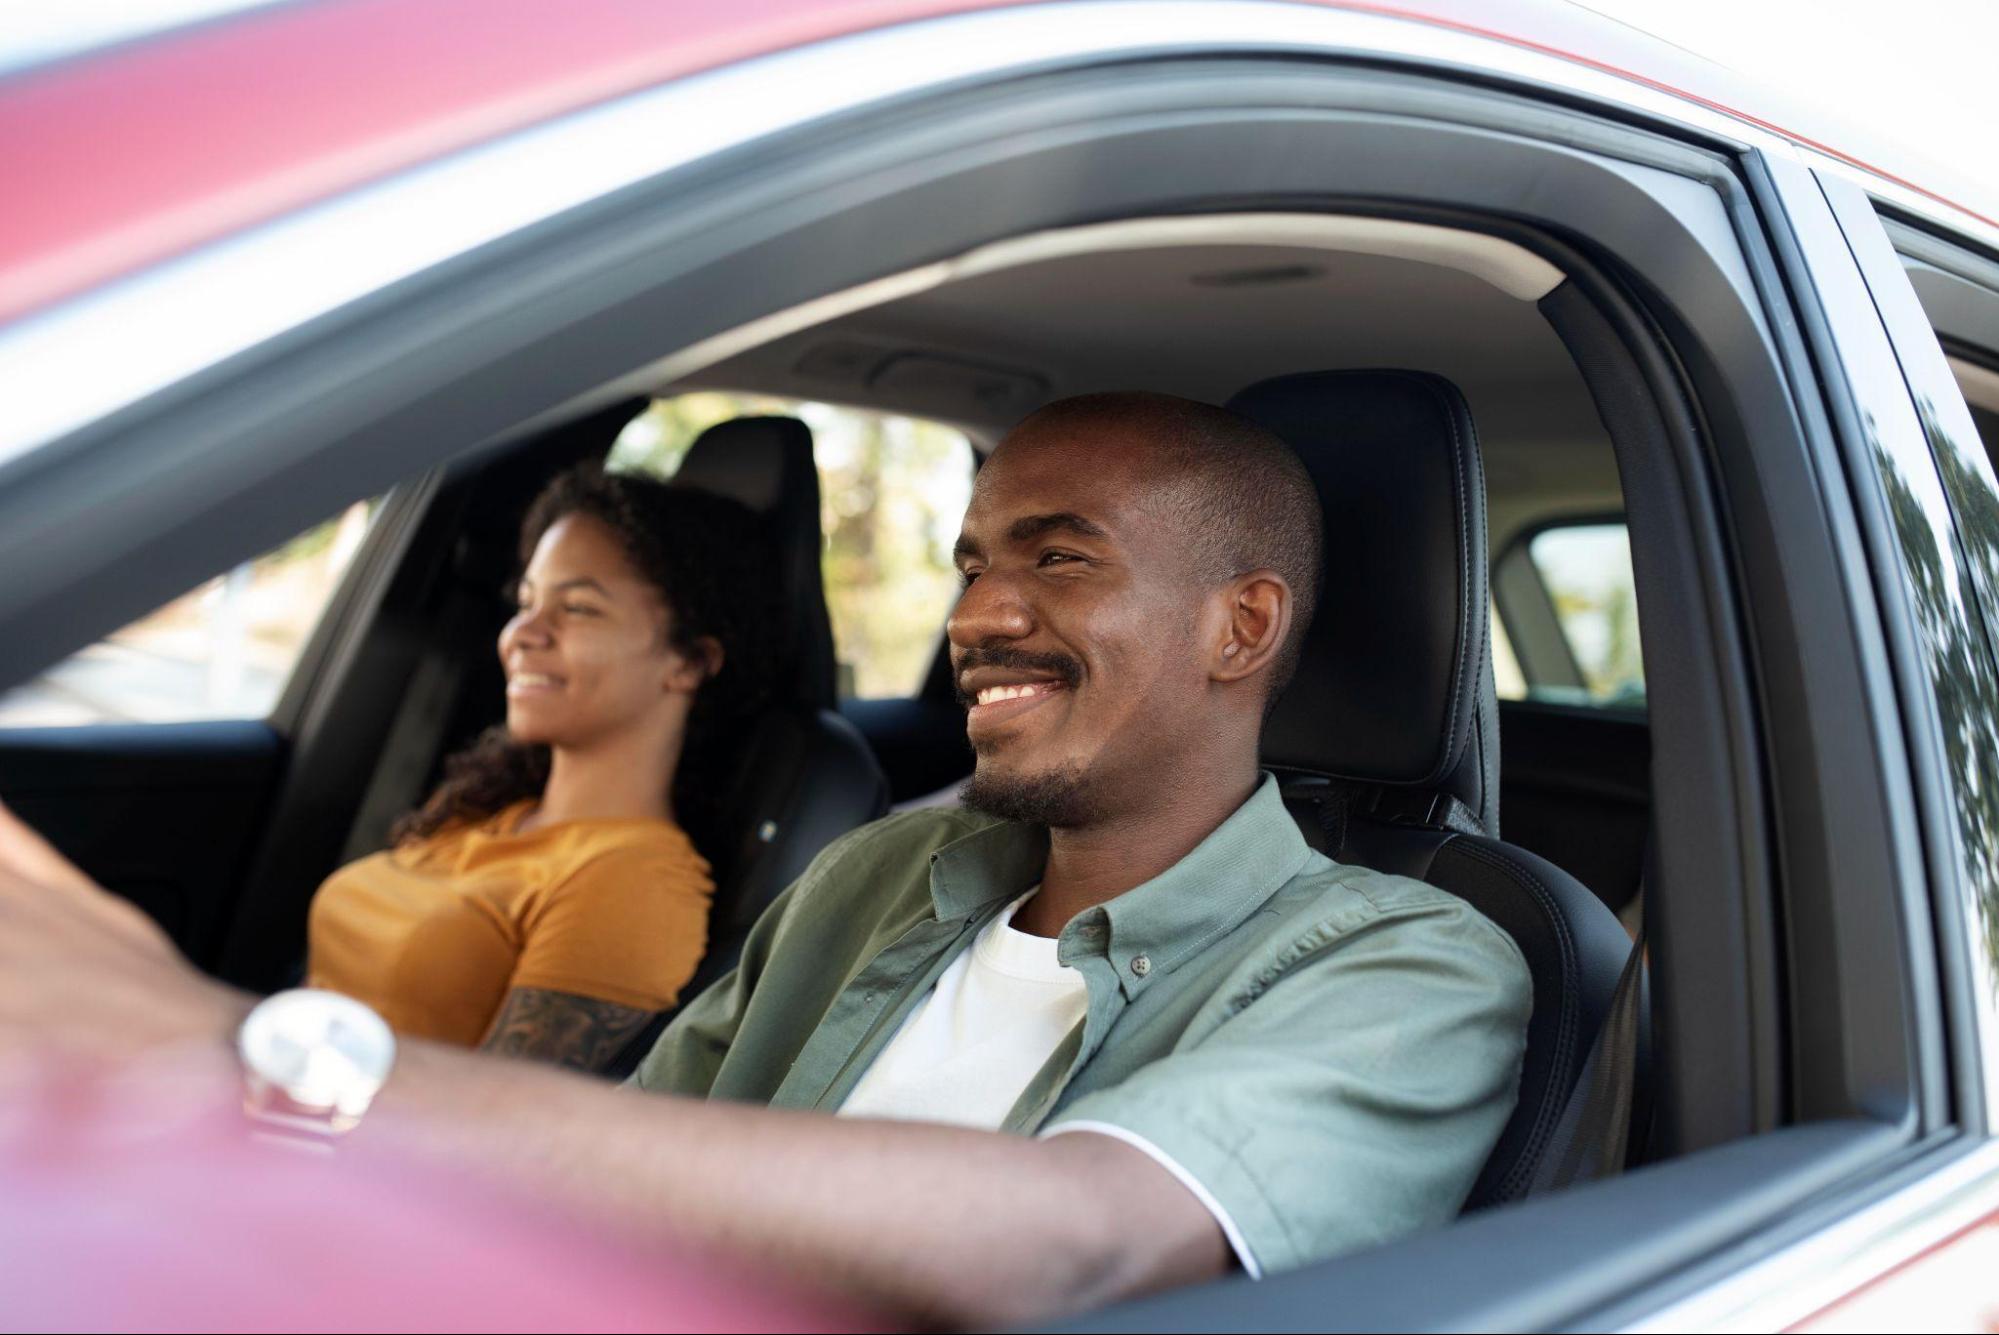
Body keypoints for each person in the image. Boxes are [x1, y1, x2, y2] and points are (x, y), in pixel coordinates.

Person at [0, 392, 1531, 1328]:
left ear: (1240, 626)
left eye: (1056, 557)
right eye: (971, 560)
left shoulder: (1408, 961)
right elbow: (621, 1158)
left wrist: (252, 1064)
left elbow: (1079, 1243)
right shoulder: (890, 867)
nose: (979, 613)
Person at [307, 466, 775, 1070]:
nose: (523, 633)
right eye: (527, 602)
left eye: (577, 608)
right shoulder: (490, 813)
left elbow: (501, 1129)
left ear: (689, 662)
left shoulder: (634, 879)